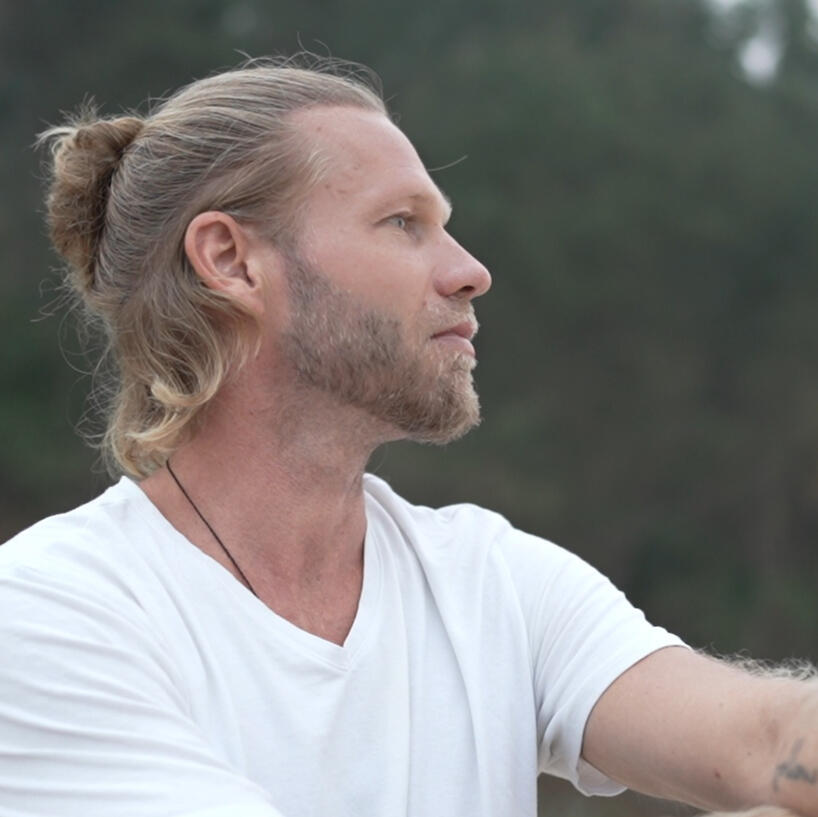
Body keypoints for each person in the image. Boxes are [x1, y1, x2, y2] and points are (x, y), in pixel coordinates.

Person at [1, 55, 815, 817]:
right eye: (402, 222)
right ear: (232, 261)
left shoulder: (492, 583)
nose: (470, 271)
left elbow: (766, 742)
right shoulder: (51, 613)